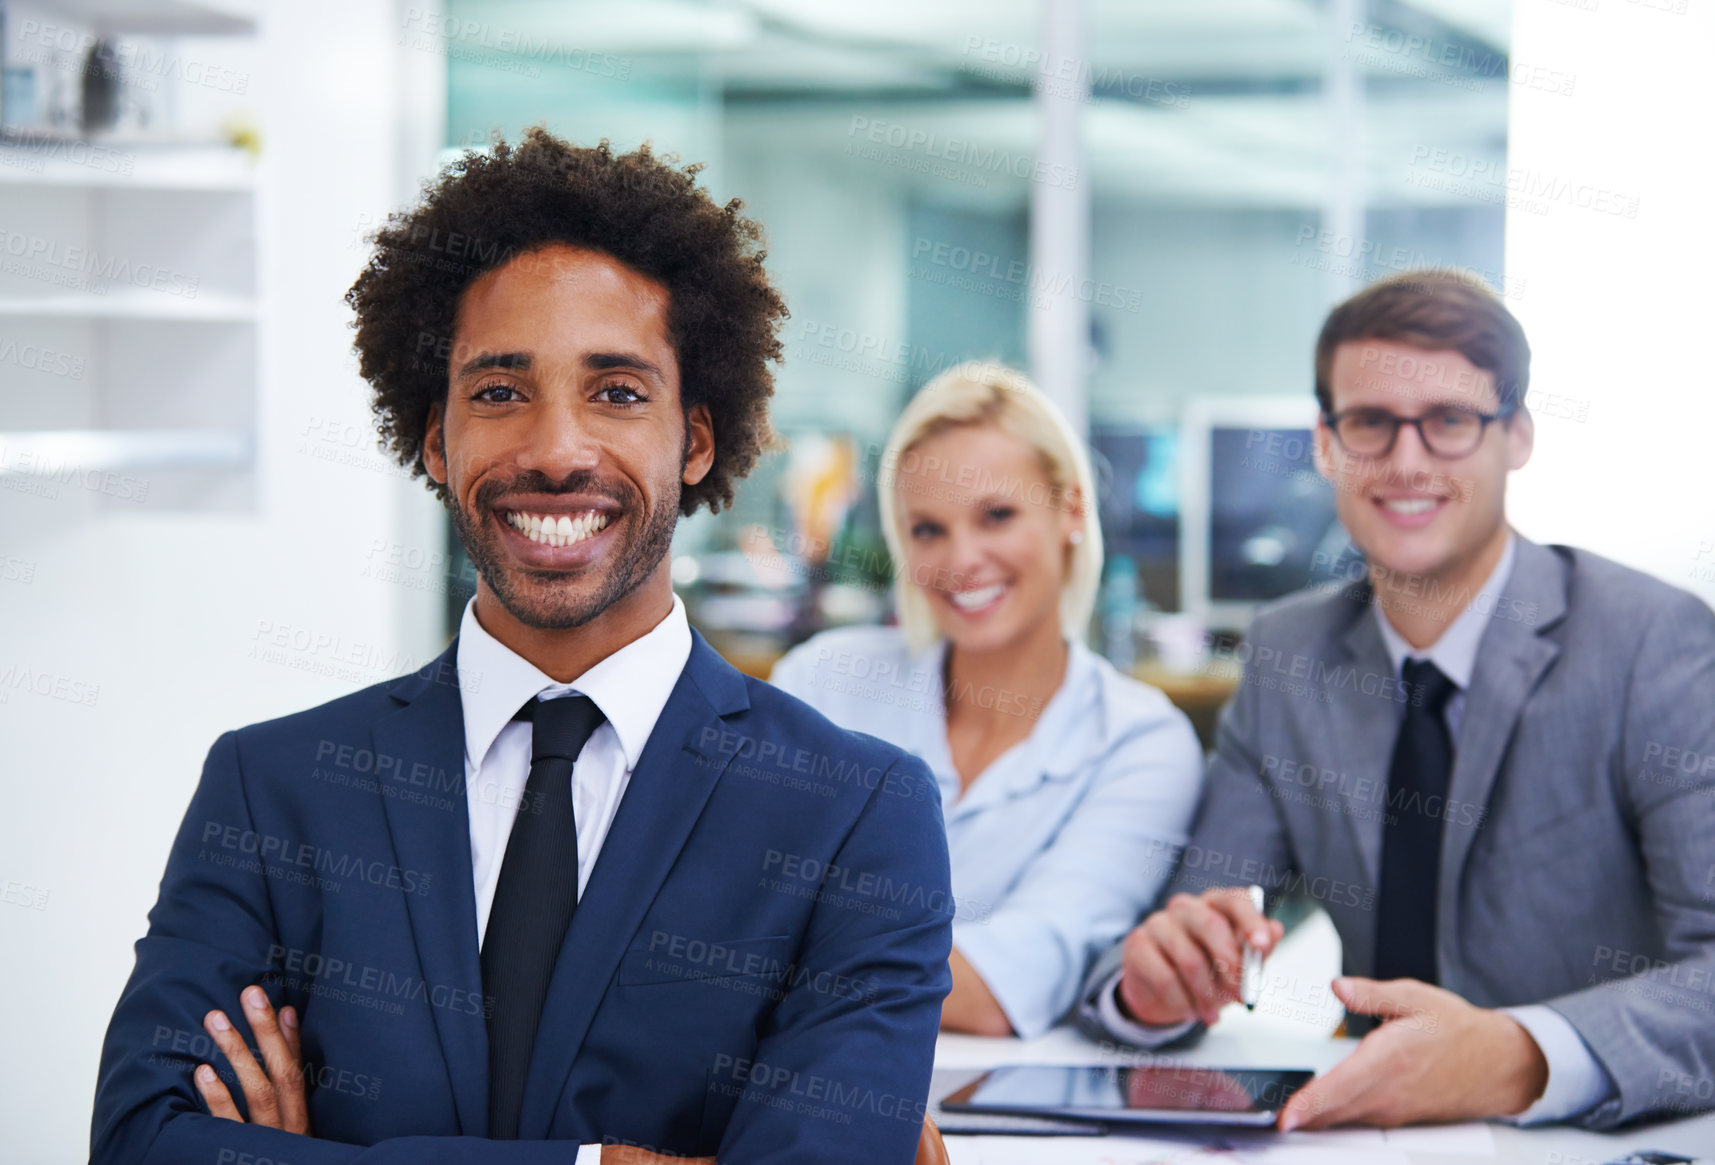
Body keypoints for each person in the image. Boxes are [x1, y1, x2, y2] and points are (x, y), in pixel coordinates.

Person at [90, 130, 953, 1165]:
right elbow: (145, 1144)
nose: (553, 451)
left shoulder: (855, 815)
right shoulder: (272, 789)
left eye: (618, 392)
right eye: (499, 391)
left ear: (696, 439)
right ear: (436, 436)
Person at [1077, 269, 1715, 1131]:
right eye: (1370, 422)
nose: (1405, 460)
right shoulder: (1288, 653)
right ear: (1325, 443)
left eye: (1449, 421)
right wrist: (1156, 983)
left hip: (1583, 1138)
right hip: (1364, 1136)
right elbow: (1201, 910)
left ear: (1516, 435)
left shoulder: (1651, 642)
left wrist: (1520, 1052)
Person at [771, 361, 1204, 1039]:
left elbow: (1001, 990)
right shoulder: (821, 683)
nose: (960, 559)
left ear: (1071, 511)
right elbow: (718, 917)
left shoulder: (1140, 741)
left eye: (996, 515)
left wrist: (792, 955)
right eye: (927, 529)